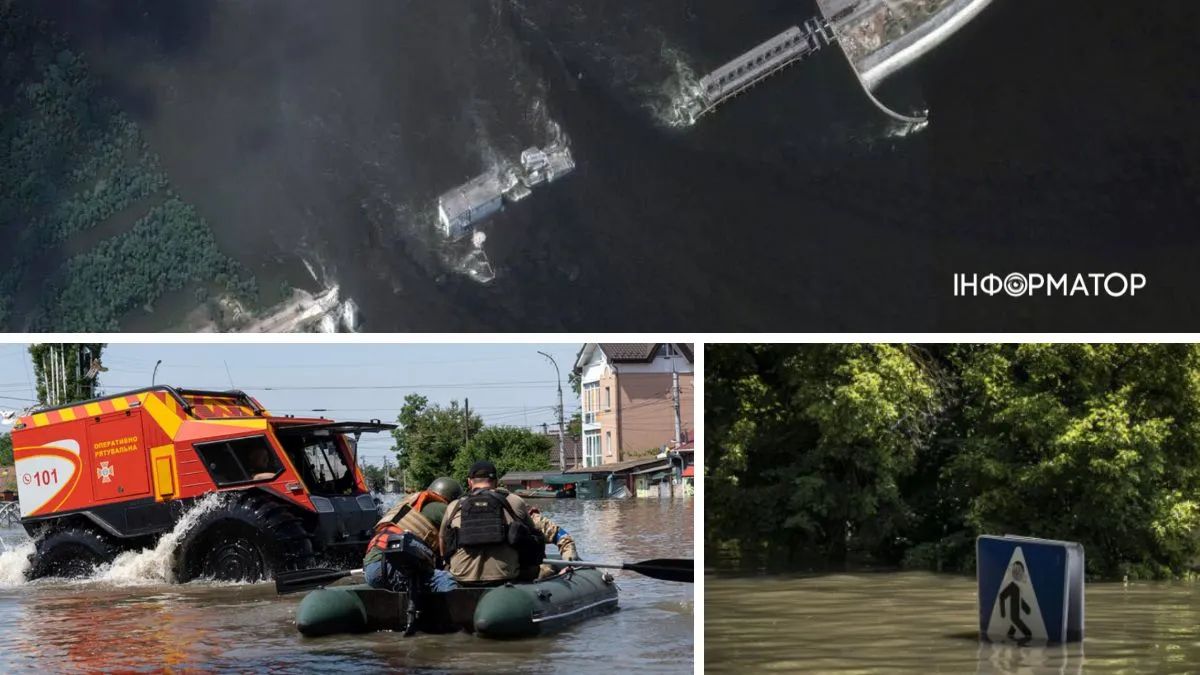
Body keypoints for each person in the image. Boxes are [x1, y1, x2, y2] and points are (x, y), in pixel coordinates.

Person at [439, 460, 579, 586]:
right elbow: (535, 536)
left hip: (461, 579)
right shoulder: (515, 502)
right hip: (506, 578)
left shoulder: (453, 507)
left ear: (469, 482)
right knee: (545, 565)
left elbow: (443, 544)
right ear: (496, 481)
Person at [364, 476, 463, 592]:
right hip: (390, 566)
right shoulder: (441, 508)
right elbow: (466, 529)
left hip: (371, 567)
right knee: (444, 579)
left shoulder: (409, 503)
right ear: (452, 499)